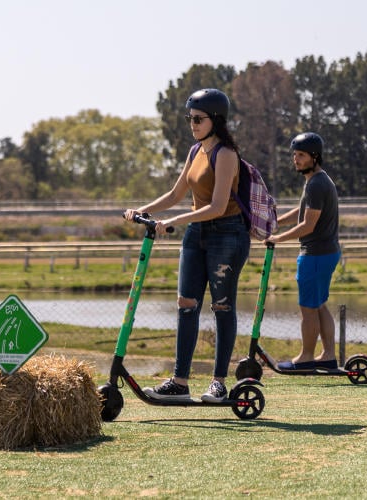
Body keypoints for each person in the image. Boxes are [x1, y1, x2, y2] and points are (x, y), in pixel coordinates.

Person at [124, 88, 250, 402]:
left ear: (215, 120)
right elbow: (176, 193)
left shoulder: (226, 155)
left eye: (198, 119)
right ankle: (180, 382)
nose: (192, 124)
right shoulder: (196, 151)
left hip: (227, 234)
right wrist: (144, 210)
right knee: (186, 304)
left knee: (222, 307)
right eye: (189, 118)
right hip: (197, 234)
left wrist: (173, 222)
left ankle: (219, 383)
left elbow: (218, 206)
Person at [265, 132, 341, 370]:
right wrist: (274, 223)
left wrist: (277, 238)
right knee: (318, 305)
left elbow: (308, 225)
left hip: (315, 254)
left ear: (314, 157)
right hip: (325, 252)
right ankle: (328, 356)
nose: (295, 160)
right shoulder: (317, 180)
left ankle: (306, 357)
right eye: (294, 155)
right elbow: (301, 215)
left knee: (308, 308)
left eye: (301, 155)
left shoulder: (317, 184)